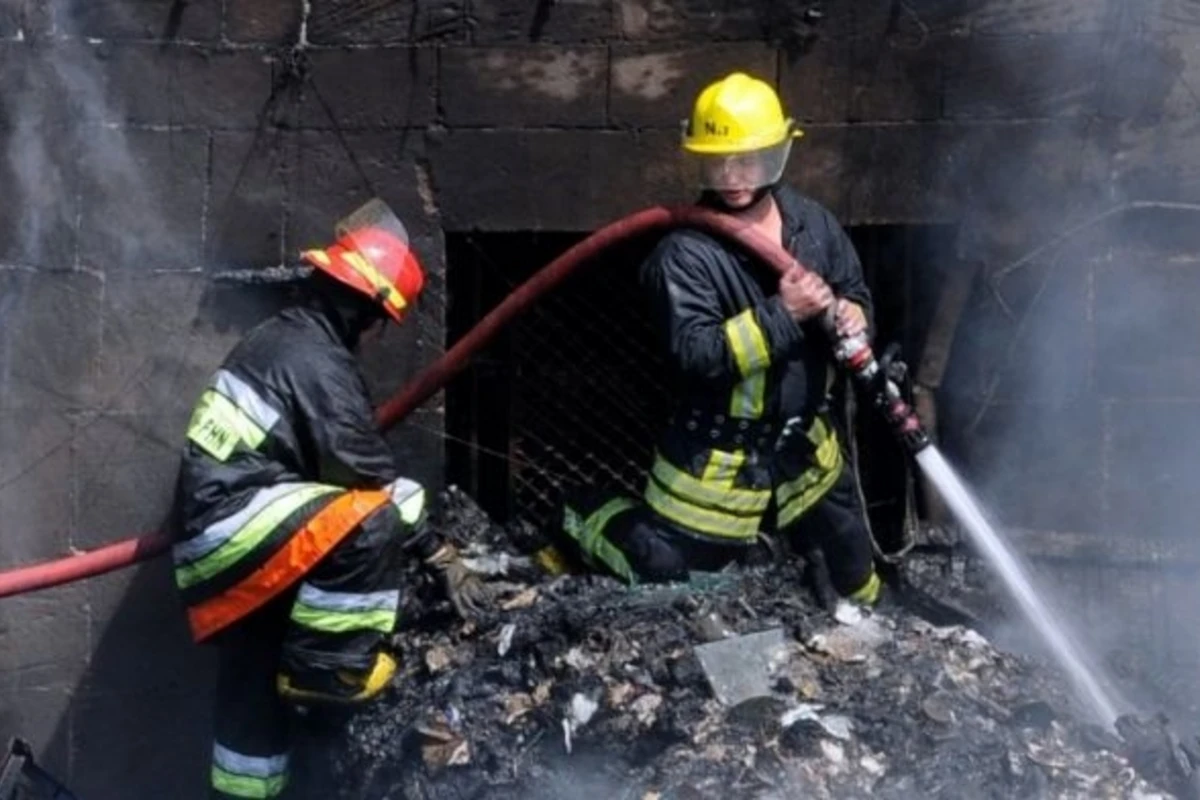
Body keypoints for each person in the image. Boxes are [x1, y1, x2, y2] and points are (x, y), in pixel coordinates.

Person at [168, 198, 483, 799]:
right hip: (235, 528)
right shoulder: (316, 363)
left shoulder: (284, 340)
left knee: (251, 680)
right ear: (368, 309)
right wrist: (439, 553)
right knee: (376, 516)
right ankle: (328, 670)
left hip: (224, 539)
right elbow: (369, 482)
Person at [558, 72, 883, 607]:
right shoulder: (684, 255)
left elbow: (854, 288)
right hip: (715, 463)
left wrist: (855, 314)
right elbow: (697, 355)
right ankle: (584, 516)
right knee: (666, 573)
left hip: (806, 451)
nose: (732, 175)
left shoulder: (814, 225)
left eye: (748, 159)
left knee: (855, 574)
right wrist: (785, 313)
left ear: (777, 153)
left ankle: (870, 617)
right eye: (717, 161)